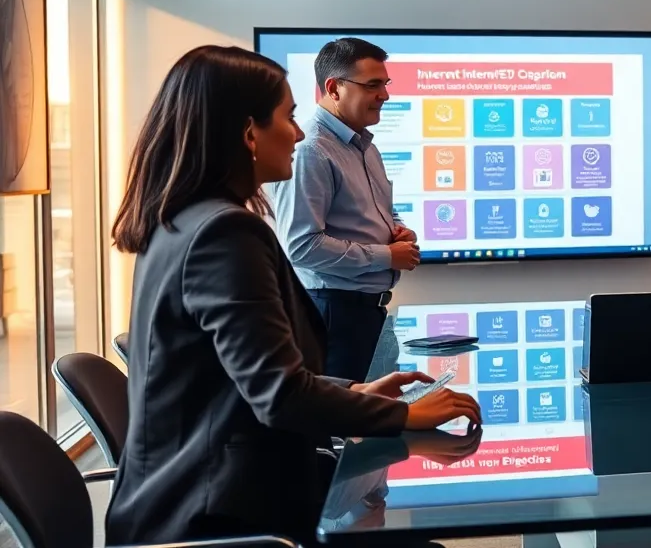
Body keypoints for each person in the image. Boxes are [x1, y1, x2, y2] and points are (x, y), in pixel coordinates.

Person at [105, 46, 480, 543]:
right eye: (289, 117)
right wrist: (405, 415)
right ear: (248, 134)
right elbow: (279, 396)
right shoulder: (225, 234)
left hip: (201, 498)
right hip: (219, 520)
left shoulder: (183, 222)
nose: (300, 133)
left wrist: (352, 392)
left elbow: (246, 377)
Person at [270, 37, 421, 381]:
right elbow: (301, 246)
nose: (385, 95)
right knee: (342, 428)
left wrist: (398, 231)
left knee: (377, 418)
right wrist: (385, 255)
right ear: (333, 88)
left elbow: (383, 211)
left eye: (385, 84)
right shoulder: (312, 150)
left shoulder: (364, 146)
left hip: (367, 312)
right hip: (333, 313)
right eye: (372, 85)